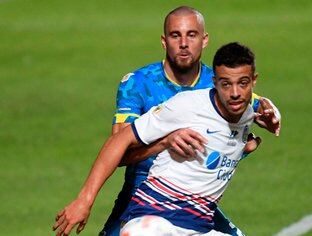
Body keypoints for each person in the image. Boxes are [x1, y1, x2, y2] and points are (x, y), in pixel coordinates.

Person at [53, 6, 280, 236]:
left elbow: (258, 105)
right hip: (144, 195)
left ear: (204, 40)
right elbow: (120, 150)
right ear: (164, 41)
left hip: (196, 204)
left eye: (191, 35)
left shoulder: (222, 83)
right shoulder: (138, 84)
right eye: (175, 35)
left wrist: (265, 120)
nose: (183, 43)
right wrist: (165, 142)